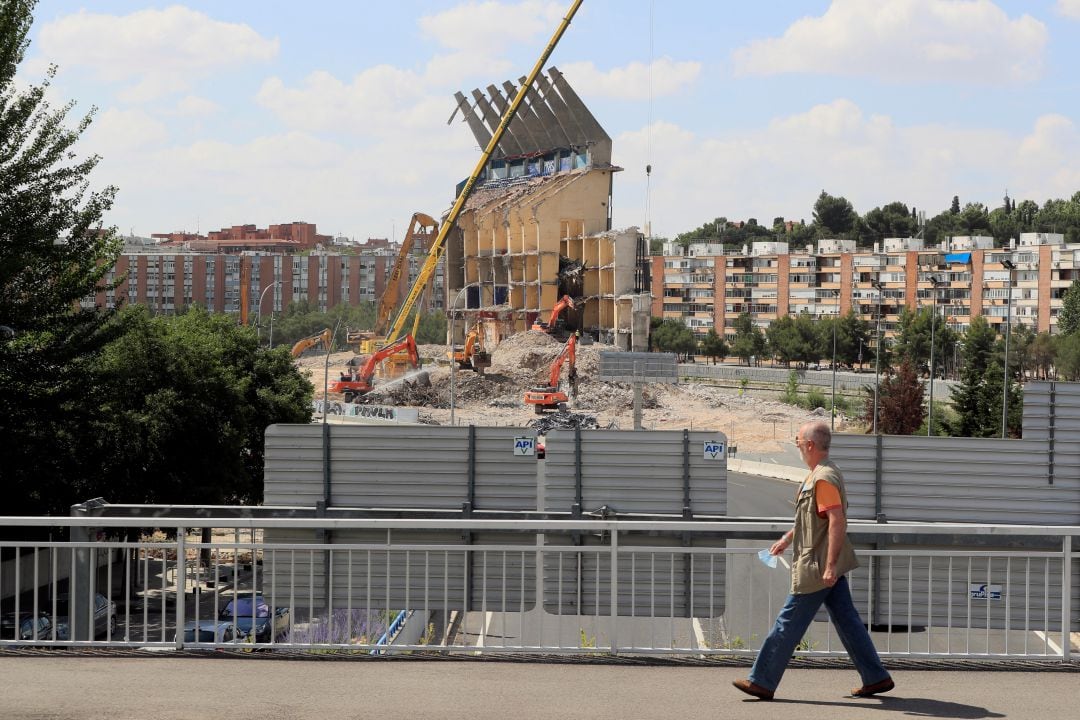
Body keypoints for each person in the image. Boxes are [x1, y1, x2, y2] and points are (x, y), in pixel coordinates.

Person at [733, 420, 894, 701]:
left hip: (817, 567)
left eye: (797, 442)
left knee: (788, 622)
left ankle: (762, 681)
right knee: (848, 621)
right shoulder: (819, 474)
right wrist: (786, 539)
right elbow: (812, 520)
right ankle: (876, 677)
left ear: (809, 445)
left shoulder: (823, 478)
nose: (796, 447)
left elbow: (836, 522)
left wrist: (830, 565)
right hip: (820, 563)